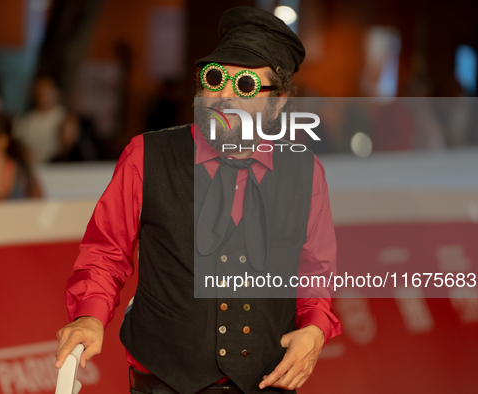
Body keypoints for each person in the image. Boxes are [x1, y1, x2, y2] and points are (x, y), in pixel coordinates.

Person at [55, 7, 341, 394]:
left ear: (278, 104)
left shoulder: (305, 172)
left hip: (266, 380)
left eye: (244, 86)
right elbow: (106, 253)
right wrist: (90, 316)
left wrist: (314, 330)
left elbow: (315, 271)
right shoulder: (146, 156)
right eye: (214, 78)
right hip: (162, 380)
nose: (223, 96)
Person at [15, 76, 66, 163]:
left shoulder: (65, 118)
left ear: (57, 92)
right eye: (40, 92)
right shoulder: (27, 119)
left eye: (47, 91)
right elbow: (17, 140)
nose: (43, 96)